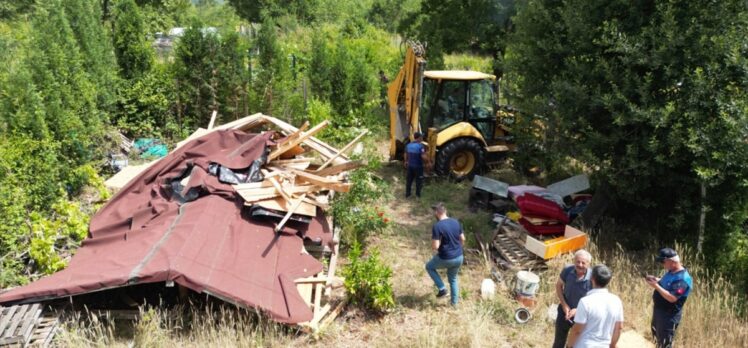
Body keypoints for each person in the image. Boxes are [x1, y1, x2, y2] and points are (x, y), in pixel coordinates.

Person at [567, 264, 624, 348]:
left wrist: (569, 346)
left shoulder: (585, 302)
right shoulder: (616, 301)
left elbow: (577, 330)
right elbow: (619, 327)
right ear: (609, 281)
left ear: (592, 278)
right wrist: (612, 345)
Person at [646, 248, 692, 348]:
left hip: (669, 316)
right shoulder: (671, 271)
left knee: (665, 344)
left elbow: (672, 298)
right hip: (659, 311)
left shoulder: (683, 279)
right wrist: (656, 279)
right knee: (657, 339)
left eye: (663, 261)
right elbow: (666, 282)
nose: (662, 264)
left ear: (672, 261)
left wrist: (655, 286)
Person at [425, 202, 465, 306]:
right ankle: (454, 304)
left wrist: (433, 244)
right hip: (459, 257)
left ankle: (442, 289)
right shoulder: (456, 222)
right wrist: (457, 249)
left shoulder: (437, 226)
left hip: (446, 257)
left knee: (429, 267)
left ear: (437, 213)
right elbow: (463, 239)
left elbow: (436, 246)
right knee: (453, 279)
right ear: (445, 211)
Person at [553, 249, 593, 348]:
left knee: (575, 344)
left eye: (583, 263)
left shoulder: (593, 277)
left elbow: (594, 300)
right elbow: (558, 286)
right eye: (578, 261)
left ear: (588, 263)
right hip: (564, 312)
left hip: (582, 316)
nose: (580, 265)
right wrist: (564, 305)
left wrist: (578, 310)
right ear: (574, 261)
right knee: (558, 342)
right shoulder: (567, 270)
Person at [404, 132, 429, 198]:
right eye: (421, 137)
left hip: (410, 166)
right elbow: (423, 156)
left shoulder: (408, 145)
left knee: (409, 180)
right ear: (419, 138)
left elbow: (406, 154)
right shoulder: (421, 146)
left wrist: (406, 161)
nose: (422, 138)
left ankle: (407, 194)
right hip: (418, 167)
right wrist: (428, 161)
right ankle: (418, 195)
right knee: (419, 181)